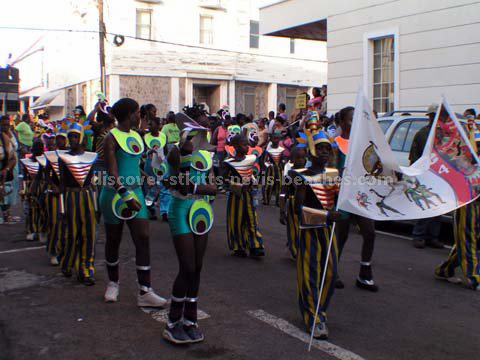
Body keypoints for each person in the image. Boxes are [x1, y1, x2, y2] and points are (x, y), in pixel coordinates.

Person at [99, 98, 167, 305]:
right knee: (114, 239)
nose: (141, 116)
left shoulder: (137, 136)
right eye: (138, 112)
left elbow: (130, 164)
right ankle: (113, 283)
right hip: (114, 195)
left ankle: (145, 291)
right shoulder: (110, 138)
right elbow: (112, 172)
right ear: (129, 115)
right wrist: (125, 195)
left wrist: (144, 177)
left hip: (135, 192)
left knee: (143, 237)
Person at [162, 111, 217, 344]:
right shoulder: (174, 152)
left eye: (204, 129)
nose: (201, 133)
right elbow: (172, 182)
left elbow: (213, 187)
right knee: (186, 266)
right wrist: (184, 160)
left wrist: (194, 188)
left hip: (201, 211)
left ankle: (190, 320)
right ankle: (172, 322)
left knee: (197, 267)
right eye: (196, 129)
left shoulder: (206, 156)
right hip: (181, 210)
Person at [291, 127, 341, 340]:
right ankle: (313, 316)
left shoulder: (333, 175)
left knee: (330, 273)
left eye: (326, 149)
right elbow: (298, 210)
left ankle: (320, 309)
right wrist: (325, 216)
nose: (323, 152)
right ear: (311, 152)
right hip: (311, 231)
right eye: (319, 148)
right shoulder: (302, 177)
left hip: (328, 233)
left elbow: (336, 202)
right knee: (311, 274)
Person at [334, 106, 378, 291]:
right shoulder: (334, 144)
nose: (355, 122)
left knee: (369, 232)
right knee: (341, 236)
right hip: (342, 196)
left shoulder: (363, 144)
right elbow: (330, 171)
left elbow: (373, 167)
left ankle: (364, 272)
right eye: (352, 118)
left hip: (360, 194)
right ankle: (332, 270)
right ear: (343, 122)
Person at [57, 122, 97, 284]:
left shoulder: (91, 156)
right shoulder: (63, 157)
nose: (73, 139)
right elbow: (62, 183)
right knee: (72, 234)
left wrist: (97, 206)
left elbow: (94, 181)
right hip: (71, 197)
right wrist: (61, 207)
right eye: (70, 136)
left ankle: (86, 269)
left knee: (89, 234)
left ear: (81, 138)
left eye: (75, 136)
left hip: (87, 196)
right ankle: (67, 263)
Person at [224, 134, 264, 258]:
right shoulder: (228, 162)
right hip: (236, 196)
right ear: (235, 146)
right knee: (236, 220)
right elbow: (223, 179)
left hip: (249, 194)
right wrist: (237, 186)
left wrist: (254, 181)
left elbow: (251, 173)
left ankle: (255, 245)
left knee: (252, 219)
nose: (247, 147)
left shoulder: (251, 158)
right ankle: (238, 246)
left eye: (247, 144)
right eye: (244, 144)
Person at [408, 104, 443, 249]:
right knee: (425, 205)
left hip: (440, 175)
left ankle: (432, 237)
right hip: (425, 175)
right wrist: (418, 175)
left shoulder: (444, 135)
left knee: (438, 207)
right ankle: (418, 235)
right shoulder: (422, 134)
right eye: (433, 116)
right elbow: (414, 157)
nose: (435, 118)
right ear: (429, 117)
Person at [280, 144, 306, 259]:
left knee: (304, 228)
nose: (301, 160)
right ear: (291, 159)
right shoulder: (289, 175)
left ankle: (297, 247)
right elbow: (283, 193)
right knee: (294, 227)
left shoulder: (307, 174)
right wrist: (282, 210)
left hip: (305, 205)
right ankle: (295, 250)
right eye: (298, 158)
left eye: (303, 157)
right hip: (292, 204)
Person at [19, 139, 44, 241]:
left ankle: (41, 230)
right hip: (31, 187)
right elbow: (25, 178)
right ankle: (32, 230)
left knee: (42, 210)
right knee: (32, 210)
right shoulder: (27, 162)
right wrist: (24, 191)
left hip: (42, 187)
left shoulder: (44, 160)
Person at [143, 116, 167, 220]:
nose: (149, 126)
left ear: (158, 125)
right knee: (150, 186)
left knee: (162, 186)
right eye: (148, 124)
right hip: (149, 163)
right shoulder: (145, 136)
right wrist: (149, 152)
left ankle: (164, 211)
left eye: (151, 124)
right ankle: (150, 208)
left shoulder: (163, 136)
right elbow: (142, 151)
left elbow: (166, 149)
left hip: (161, 163)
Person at [0, 115, 19, 224]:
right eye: (4, 125)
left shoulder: (8, 136)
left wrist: (7, 169)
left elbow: (13, 154)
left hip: (7, 167)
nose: (6, 127)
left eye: (8, 124)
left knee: (7, 190)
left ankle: (7, 215)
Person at [262, 131, 285, 206]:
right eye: (274, 138)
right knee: (268, 184)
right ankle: (266, 199)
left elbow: (283, 159)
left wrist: (283, 164)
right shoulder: (268, 150)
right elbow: (265, 161)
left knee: (279, 185)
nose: (276, 140)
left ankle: (278, 201)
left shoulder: (281, 150)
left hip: (279, 169)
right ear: (271, 139)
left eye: (277, 138)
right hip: (270, 170)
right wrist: (269, 165)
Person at [210, 111, 230, 193]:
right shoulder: (218, 129)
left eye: (228, 119)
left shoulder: (231, 128)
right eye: (226, 119)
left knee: (228, 169)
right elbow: (213, 141)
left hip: (229, 151)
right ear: (222, 119)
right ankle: (221, 185)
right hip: (220, 151)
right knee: (220, 169)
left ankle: (226, 185)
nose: (227, 121)